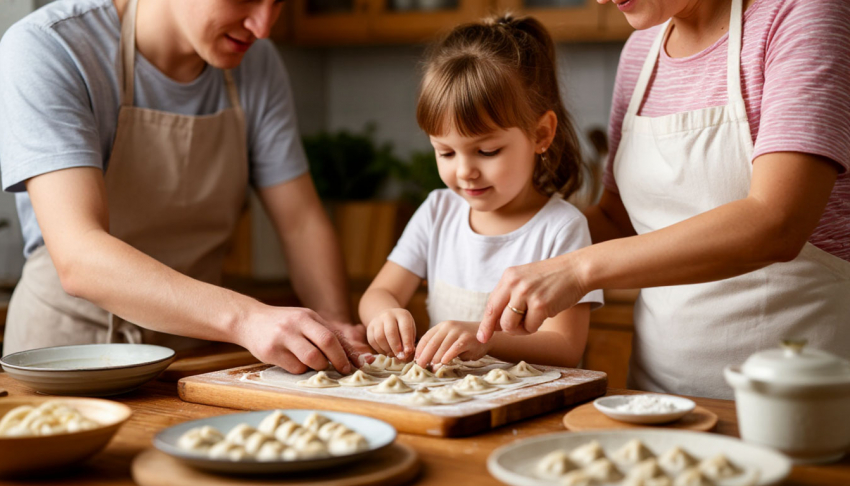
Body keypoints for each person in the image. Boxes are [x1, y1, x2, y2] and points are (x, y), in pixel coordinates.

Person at [477, 0, 850, 398]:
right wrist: (510, 241)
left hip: (794, 403)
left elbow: (778, 223)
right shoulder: (641, 50)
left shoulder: (803, 14)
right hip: (657, 400)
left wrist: (577, 269)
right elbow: (618, 218)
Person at [0, 0, 370, 374]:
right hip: (65, 357)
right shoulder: (50, 46)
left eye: (277, 4)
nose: (262, 27)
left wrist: (333, 325)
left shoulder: (258, 62)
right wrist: (246, 319)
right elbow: (79, 255)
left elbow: (300, 222)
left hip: (191, 359)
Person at [358, 15, 604, 369]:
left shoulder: (562, 228)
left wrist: (485, 339)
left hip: (531, 407)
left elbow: (565, 346)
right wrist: (385, 314)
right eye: (445, 152)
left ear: (541, 135)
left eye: (487, 151)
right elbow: (379, 294)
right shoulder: (437, 211)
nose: (464, 171)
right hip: (448, 404)